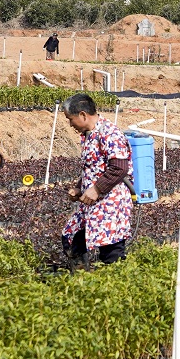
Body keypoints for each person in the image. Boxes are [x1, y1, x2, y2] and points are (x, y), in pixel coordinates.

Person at [60, 92, 134, 268]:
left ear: (83, 115)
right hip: (93, 203)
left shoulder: (109, 133)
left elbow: (119, 168)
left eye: (70, 119)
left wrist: (96, 189)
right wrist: (79, 188)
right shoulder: (89, 134)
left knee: (111, 251)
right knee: (71, 236)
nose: (70, 124)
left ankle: (114, 285)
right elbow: (93, 167)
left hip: (111, 203)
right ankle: (81, 280)